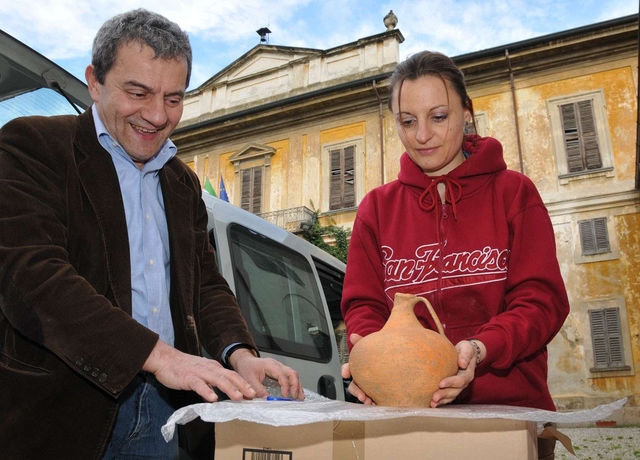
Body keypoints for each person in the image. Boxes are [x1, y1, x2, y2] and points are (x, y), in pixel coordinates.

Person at [0, 9, 303, 460]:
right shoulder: (32, 144)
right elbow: (33, 278)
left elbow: (205, 283)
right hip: (59, 412)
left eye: (174, 98)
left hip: (162, 413)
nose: (158, 115)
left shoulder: (181, 183)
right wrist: (161, 356)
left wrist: (239, 353)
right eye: (138, 93)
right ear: (95, 82)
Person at [340, 51, 570, 460]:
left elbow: (541, 301)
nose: (422, 135)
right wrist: (368, 363)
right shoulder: (376, 209)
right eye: (407, 121)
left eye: (439, 116)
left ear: (466, 114)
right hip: (404, 423)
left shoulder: (514, 194)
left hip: (509, 416)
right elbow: (363, 305)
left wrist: (481, 349)